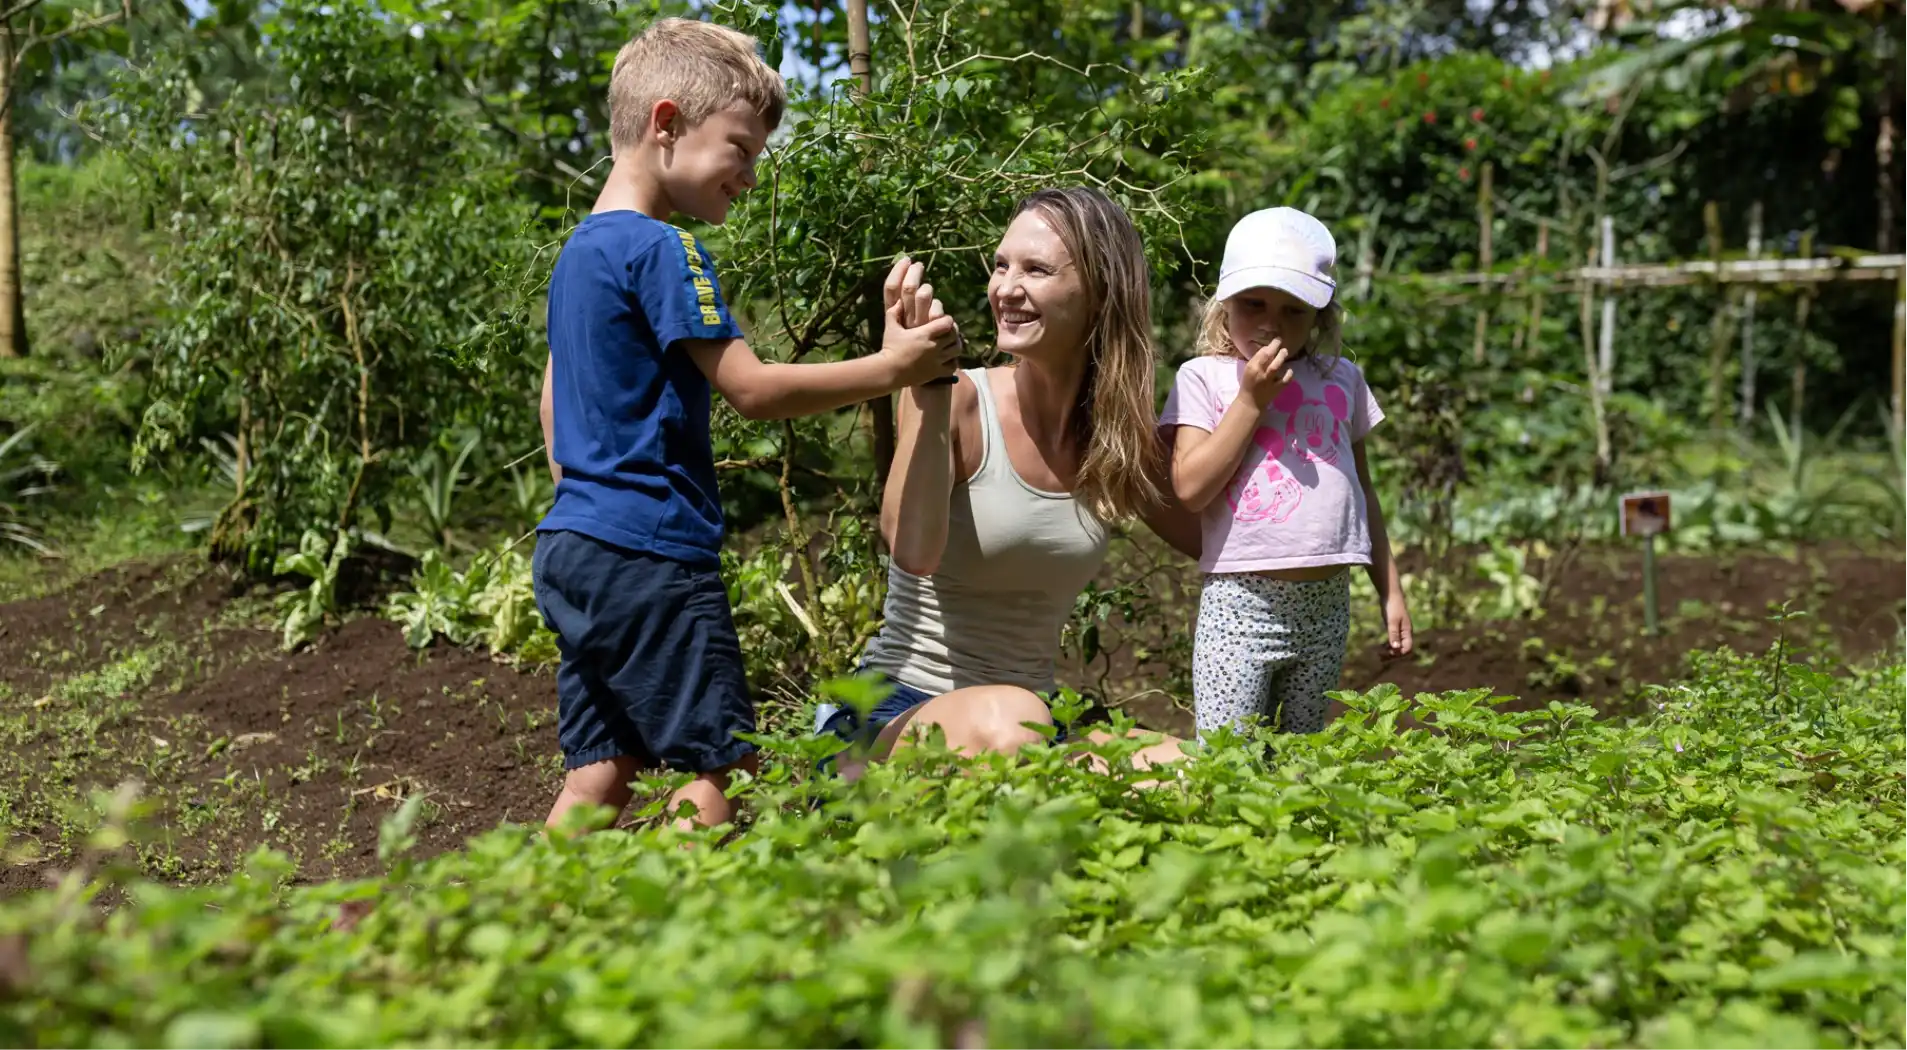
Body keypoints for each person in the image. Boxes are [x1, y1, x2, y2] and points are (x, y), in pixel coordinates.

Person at [534, 18, 961, 832]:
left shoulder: (578, 254)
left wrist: (590, 508)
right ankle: (687, 941)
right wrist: (898, 366)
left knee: (600, 771)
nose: (752, 175)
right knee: (726, 767)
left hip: (572, 548)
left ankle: (519, 930)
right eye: (741, 147)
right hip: (648, 551)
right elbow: (754, 391)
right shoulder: (665, 250)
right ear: (666, 124)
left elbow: (555, 406)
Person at [818, 186, 1202, 778]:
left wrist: (1258, 402)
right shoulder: (958, 399)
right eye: (1001, 265)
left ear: (1100, 293)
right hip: (890, 716)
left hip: (1029, 722)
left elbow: (1215, 543)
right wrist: (925, 386)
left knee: (1183, 767)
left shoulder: (1116, 437)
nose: (1005, 287)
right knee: (1015, 719)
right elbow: (911, 550)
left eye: (1036, 269)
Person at [1159, 206, 1412, 742]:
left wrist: (1390, 591)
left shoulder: (1341, 379)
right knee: (1230, 757)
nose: (1271, 323)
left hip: (1327, 604)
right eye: (1253, 304)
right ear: (1223, 305)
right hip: (1241, 602)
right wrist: (1251, 400)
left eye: (1292, 310)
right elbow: (1189, 487)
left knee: (1300, 755)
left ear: (1320, 318)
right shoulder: (1204, 378)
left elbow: (1363, 491)